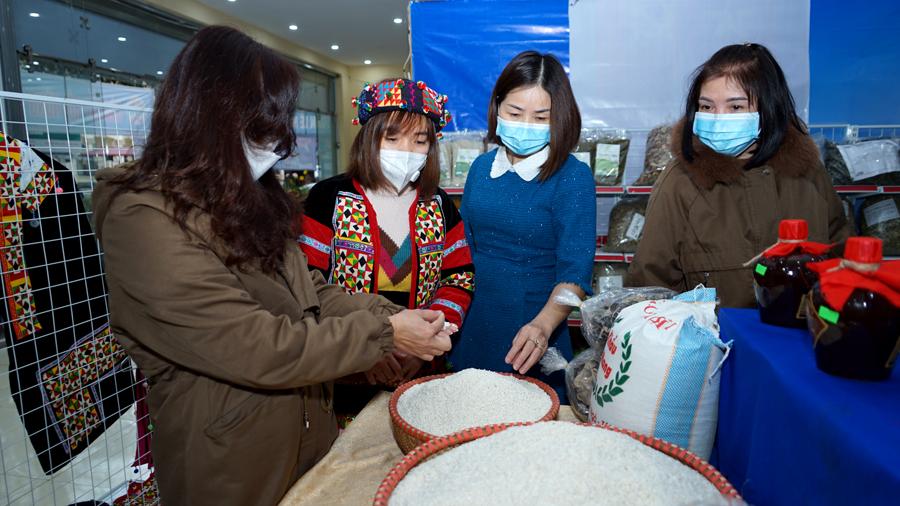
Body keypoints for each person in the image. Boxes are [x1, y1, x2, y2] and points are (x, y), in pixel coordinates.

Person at [92, 26, 452, 506]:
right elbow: (254, 345)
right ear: (210, 113)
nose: (279, 142)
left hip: (307, 431)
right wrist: (387, 336)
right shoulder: (142, 217)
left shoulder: (249, 197)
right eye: (265, 122)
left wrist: (390, 318)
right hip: (232, 461)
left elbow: (314, 292)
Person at [626, 43, 849, 306]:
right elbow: (650, 285)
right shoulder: (681, 182)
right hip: (716, 345)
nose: (719, 118)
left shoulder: (808, 173)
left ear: (769, 107)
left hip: (800, 342)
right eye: (707, 107)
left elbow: (841, 258)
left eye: (735, 107)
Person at [299, 78, 474, 390]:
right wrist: (372, 348)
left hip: (421, 371)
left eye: (420, 141)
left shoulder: (439, 205)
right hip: (343, 370)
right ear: (369, 138)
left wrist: (424, 344)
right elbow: (307, 284)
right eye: (392, 138)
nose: (406, 151)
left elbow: (458, 280)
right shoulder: (328, 197)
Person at [452, 51, 596, 399]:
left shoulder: (572, 177)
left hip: (532, 335)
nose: (525, 124)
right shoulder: (481, 169)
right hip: (473, 324)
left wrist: (544, 324)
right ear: (497, 107)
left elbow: (575, 276)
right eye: (515, 113)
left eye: (540, 117)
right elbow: (464, 252)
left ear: (558, 118)